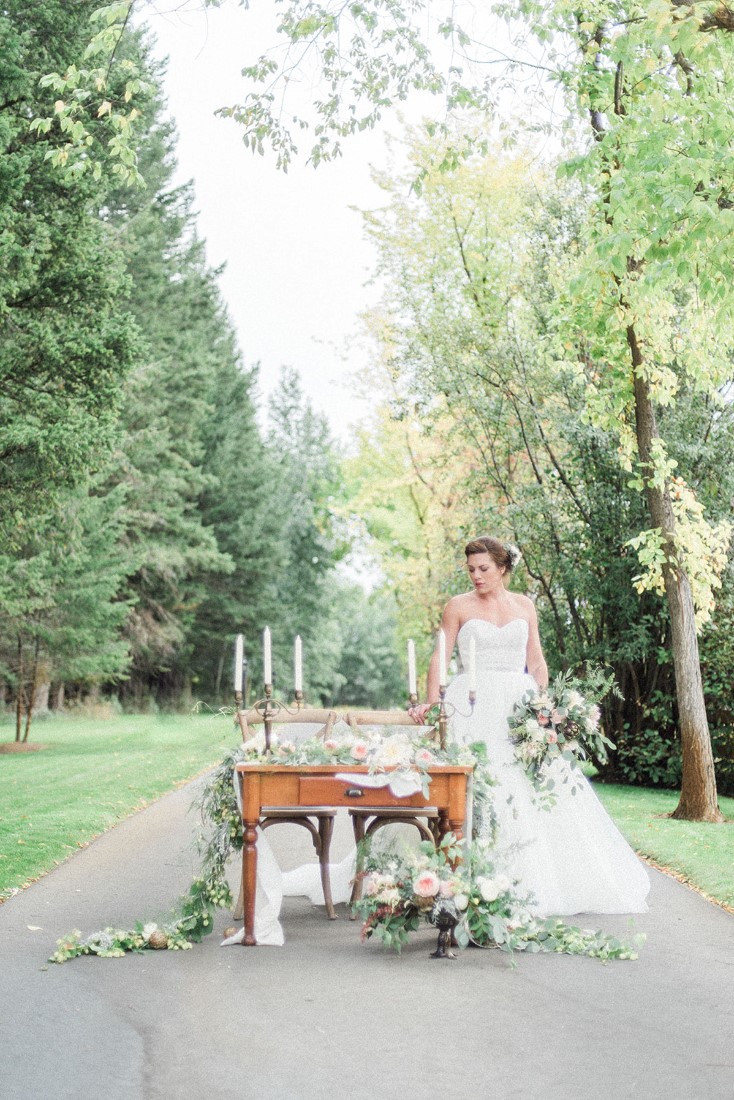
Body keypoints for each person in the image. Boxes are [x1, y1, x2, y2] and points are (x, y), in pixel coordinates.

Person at [409, 535, 650, 916]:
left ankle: (533, 879)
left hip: (519, 706)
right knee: (475, 785)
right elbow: (439, 657)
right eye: (471, 569)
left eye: (484, 569)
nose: (476, 576)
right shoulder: (457, 606)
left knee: (530, 784)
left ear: (503, 569)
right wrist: (433, 703)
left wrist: (545, 704)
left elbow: (536, 661)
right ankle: (465, 878)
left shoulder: (524, 605)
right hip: (471, 702)